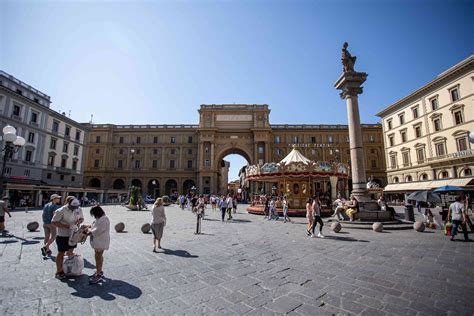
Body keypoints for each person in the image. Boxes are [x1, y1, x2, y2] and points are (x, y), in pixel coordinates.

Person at [51, 197, 84, 280]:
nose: (74, 209)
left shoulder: (78, 209)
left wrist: (80, 221)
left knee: (70, 251)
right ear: (68, 204)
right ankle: (59, 271)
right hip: (63, 235)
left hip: (74, 234)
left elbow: (82, 218)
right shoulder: (61, 211)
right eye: (72, 207)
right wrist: (67, 226)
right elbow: (54, 222)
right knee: (61, 253)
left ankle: (69, 269)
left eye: (76, 208)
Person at [83, 205, 110, 284]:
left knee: (98, 257)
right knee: (99, 256)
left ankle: (98, 275)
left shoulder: (104, 219)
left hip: (100, 241)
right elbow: (95, 226)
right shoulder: (101, 218)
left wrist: (88, 232)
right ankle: (99, 271)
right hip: (99, 241)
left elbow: (97, 230)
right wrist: (89, 227)